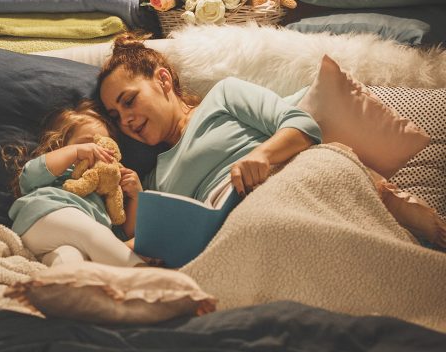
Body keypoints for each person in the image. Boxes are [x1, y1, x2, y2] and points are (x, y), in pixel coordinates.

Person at [97, 33, 446, 248]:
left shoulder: (223, 96)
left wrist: (261, 156)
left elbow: (302, 123)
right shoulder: (156, 175)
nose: (125, 119)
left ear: (162, 80)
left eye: (129, 100)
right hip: (239, 226)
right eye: (115, 116)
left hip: (286, 179)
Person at [2, 99, 147, 267]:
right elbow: (28, 176)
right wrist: (75, 152)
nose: (96, 150)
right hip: (43, 216)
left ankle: (62, 285)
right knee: (94, 234)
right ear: (60, 146)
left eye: (103, 147)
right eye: (87, 143)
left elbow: (124, 232)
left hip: (49, 245)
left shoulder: (107, 189)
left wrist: (137, 196)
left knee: (68, 258)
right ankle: (147, 275)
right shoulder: (61, 170)